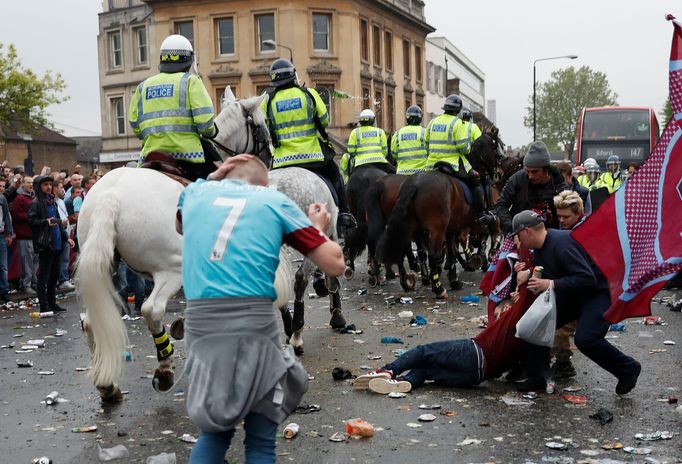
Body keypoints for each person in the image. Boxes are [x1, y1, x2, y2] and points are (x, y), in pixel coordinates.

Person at [177, 154, 345, 464]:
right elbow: (335, 264)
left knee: (215, 432)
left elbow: (180, 225)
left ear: (225, 175)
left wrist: (215, 179)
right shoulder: (272, 201)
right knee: (261, 441)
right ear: (264, 184)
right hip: (251, 323)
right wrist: (317, 227)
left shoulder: (194, 193)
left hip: (201, 325)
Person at [511, 210, 641, 393]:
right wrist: (529, 277)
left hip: (599, 293)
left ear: (527, 232)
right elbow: (549, 272)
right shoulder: (540, 248)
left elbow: (587, 279)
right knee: (536, 322)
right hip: (573, 293)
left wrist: (550, 283)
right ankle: (537, 378)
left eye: (518, 235)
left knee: (586, 339)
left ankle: (628, 368)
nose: (518, 240)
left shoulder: (561, 244)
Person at [354, 275, 538, 393]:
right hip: (477, 377)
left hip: (474, 352)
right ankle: (403, 382)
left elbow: (528, 293)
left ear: (507, 308)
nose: (496, 320)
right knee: (426, 371)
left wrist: (524, 278)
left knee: (423, 352)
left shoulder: (514, 317)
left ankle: (388, 370)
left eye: (498, 314)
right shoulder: (527, 339)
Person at [262, 58, 355, 228]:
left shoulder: (266, 101)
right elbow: (325, 120)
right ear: (293, 76)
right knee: (336, 174)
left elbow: (264, 128)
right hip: (312, 156)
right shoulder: (308, 94)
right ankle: (344, 212)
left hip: (282, 160)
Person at [129, 34, 219, 181]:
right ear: (189, 59)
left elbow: (135, 126)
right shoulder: (191, 81)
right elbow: (205, 124)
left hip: (150, 155)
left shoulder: (143, 86)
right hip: (187, 156)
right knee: (216, 180)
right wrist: (212, 131)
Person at [426, 95, 490, 223]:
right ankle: (481, 213)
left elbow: (426, 144)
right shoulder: (457, 123)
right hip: (452, 164)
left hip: (431, 165)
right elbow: (463, 148)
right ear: (458, 110)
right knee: (475, 180)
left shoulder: (432, 122)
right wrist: (468, 147)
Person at [549, 190, 587, 380]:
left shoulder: (587, 232)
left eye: (566, 217)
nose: (561, 221)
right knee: (560, 328)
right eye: (559, 217)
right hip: (568, 287)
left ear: (579, 213)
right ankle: (564, 364)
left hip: (581, 290)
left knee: (559, 330)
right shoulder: (568, 230)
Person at [492, 141, 569, 234]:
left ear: (546, 170)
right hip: (519, 234)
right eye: (528, 171)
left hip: (551, 235)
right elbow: (501, 205)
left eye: (535, 172)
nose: (530, 176)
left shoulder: (560, 186)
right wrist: (514, 229)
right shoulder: (518, 179)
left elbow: (569, 215)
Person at [28, 176, 73, 313]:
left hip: (57, 243)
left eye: (49, 184)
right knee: (44, 277)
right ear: (39, 186)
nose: (48, 187)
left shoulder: (52, 201)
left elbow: (56, 223)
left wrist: (66, 237)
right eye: (45, 184)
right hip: (46, 245)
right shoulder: (36, 203)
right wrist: (45, 222)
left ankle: (52, 303)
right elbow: (31, 221)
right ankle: (44, 305)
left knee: (54, 276)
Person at [342, 109, 393, 176]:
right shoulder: (380, 132)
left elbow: (351, 151)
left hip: (360, 164)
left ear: (360, 121)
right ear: (373, 120)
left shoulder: (355, 132)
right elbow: (385, 151)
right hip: (380, 163)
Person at [10, 176, 37, 295]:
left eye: (32, 183)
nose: (31, 185)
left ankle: (34, 283)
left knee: (35, 261)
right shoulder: (19, 198)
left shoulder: (34, 197)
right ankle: (26, 284)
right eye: (28, 183)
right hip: (24, 235)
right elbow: (16, 215)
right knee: (27, 262)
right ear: (23, 185)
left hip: (34, 235)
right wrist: (30, 216)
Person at [389, 105, 428, 175]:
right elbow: (429, 151)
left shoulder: (398, 133)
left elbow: (394, 153)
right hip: (421, 172)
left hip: (402, 173)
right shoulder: (425, 132)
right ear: (420, 118)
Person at [52, 179, 75, 290]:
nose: (63, 190)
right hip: (58, 233)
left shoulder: (61, 201)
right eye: (61, 188)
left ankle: (63, 279)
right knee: (59, 258)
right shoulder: (52, 201)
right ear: (55, 189)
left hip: (65, 232)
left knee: (65, 258)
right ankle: (61, 279)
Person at [0, 181, 14, 303]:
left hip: (1, 235)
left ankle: (4, 291)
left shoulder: (2, 199)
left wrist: (9, 234)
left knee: (3, 266)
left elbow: (6, 216)